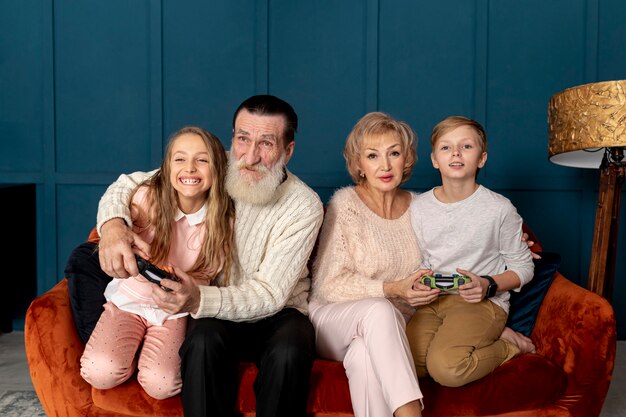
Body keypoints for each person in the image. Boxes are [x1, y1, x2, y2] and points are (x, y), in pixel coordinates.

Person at [70, 95, 324, 417]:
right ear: (232, 137)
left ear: (288, 151)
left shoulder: (304, 205)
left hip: (277, 310)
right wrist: (113, 226)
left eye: (267, 143)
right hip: (212, 305)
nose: (251, 155)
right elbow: (130, 184)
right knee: (202, 341)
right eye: (243, 139)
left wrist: (197, 300)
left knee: (290, 350)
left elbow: (271, 293)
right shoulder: (216, 164)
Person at [79, 126, 234, 399]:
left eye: (202, 160)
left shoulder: (223, 219)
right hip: (131, 299)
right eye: (180, 159)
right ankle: (128, 350)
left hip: (174, 311)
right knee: (99, 371)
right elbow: (117, 198)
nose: (190, 168)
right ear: (166, 166)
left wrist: (187, 287)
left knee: (162, 385)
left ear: (218, 168)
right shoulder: (145, 196)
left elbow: (211, 269)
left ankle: (145, 353)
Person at [309, 112, 430, 417]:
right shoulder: (345, 205)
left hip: (387, 331)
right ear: (359, 165)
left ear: (407, 159)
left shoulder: (423, 208)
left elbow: (455, 253)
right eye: (373, 156)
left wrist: (512, 244)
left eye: (394, 153)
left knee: (364, 356)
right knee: (380, 308)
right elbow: (328, 285)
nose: (385, 165)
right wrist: (392, 289)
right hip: (331, 319)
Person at [406, 115, 535, 388]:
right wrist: (417, 284)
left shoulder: (499, 209)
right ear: (434, 159)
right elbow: (418, 259)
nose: (455, 152)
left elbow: (524, 267)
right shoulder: (418, 207)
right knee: (409, 364)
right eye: (446, 147)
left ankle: (509, 345)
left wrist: (488, 285)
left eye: (466, 146)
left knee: (447, 369)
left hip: (482, 303)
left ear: (482, 158)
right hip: (434, 301)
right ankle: (492, 339)